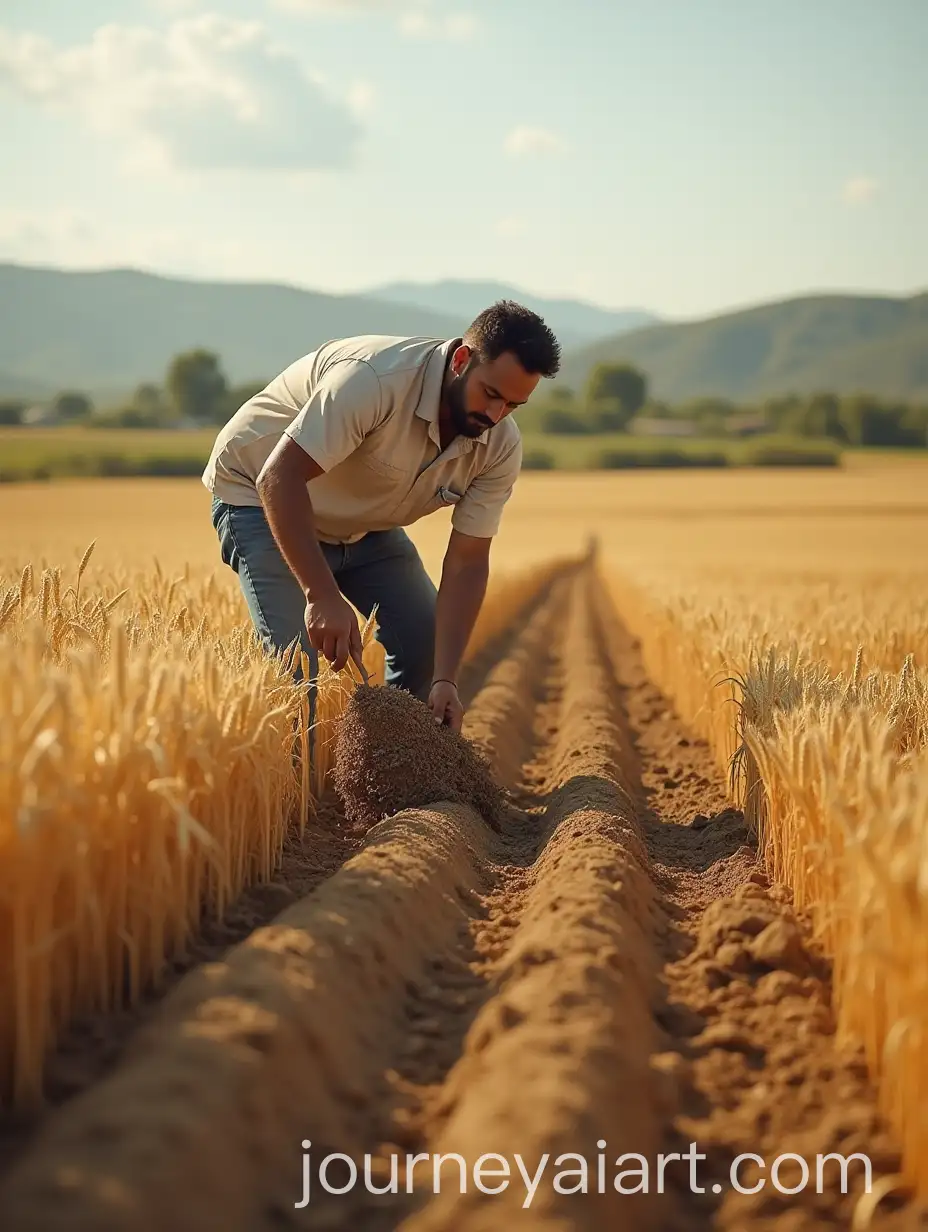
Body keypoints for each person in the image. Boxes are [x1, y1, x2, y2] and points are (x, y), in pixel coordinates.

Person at [202, 299, 560, 733]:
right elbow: (280, 476)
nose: (495, 415)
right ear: (462, 360)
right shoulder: (372, 380)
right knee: (296, 672)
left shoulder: (500, 444)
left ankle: (389, 767)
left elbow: (467, 561)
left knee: (423, 640)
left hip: (362, 525)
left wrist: (445, 678)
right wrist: (320, 593)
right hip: (260, 495)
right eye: (490, 394)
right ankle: (299, 795)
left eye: (513, 406)